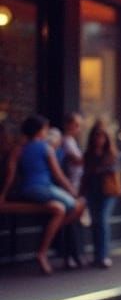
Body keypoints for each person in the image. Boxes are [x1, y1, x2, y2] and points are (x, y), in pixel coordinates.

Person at [0, 114, 85, 275]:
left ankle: (46, 243)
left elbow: (9, 175)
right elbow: (58, 175)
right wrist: (73, 192)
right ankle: (47, 240)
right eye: (45, 129)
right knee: (77, 204)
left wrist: (2, 194)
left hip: (27, 190)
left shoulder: (19, 148)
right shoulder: (46, 148)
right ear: (40, 130)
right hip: (43, 188)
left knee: (59, 208)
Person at [81, 119, 119, 268]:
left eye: (102, 136)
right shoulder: (88, 154)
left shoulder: (111, 153)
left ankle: (103, 255)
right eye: (97, 136)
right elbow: (85, 174)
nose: (99, 140)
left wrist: (99, 170)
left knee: (102, 220)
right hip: (92, 191)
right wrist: (81, 192)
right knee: (95, 222)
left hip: (108, 192)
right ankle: (97, 255)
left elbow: (115, 170)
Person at [57, 112, 85, 268]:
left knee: (75, 222)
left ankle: (75, 255)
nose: (78, 129)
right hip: (70, 187)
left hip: (76, 186)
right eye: (76, 125)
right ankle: (71, 256)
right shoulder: (66, 141)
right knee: (71, 221)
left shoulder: (72, 141)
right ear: (68, 125)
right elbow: (77, 160)